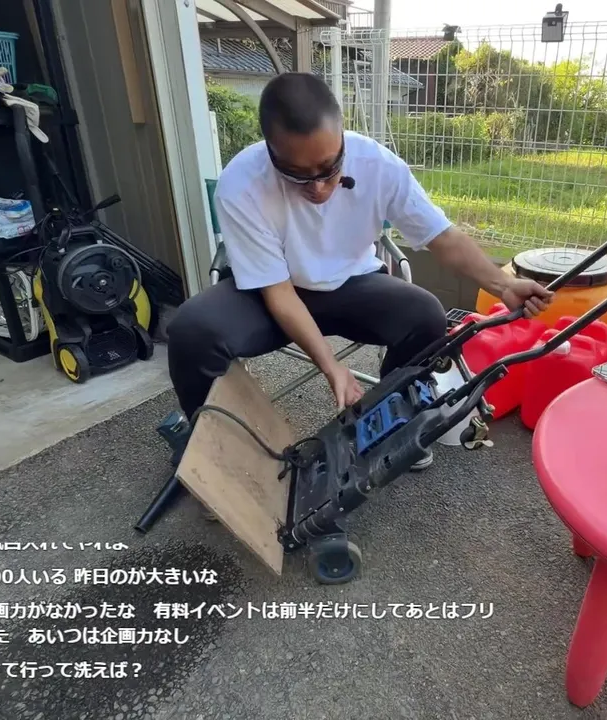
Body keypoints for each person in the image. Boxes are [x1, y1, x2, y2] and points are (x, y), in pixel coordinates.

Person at [165, 72, 552, 470]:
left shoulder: (378, 165)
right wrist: (331, 366)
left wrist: (504, 285)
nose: (317, 187)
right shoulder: (241, 183)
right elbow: (279, 294)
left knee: (424, 314)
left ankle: (390, 427)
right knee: (192, 332)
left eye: (329, 168)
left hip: (352, 283)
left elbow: (442, 236)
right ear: (270, 150)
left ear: (342, 136)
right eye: (297, 174)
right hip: (270, 294)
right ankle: (217, 454)